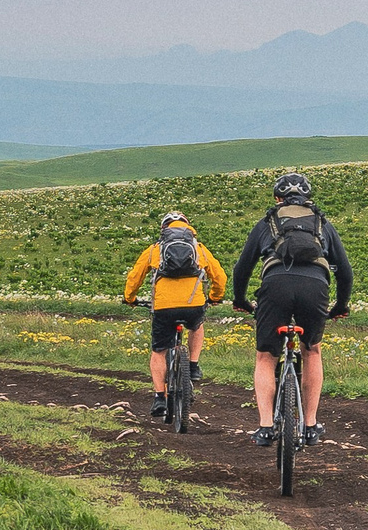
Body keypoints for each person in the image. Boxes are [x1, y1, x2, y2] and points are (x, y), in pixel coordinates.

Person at [229, 172, 352, 447]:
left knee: (265, 357)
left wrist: (240, 300)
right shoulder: (322, 224)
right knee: (312, 350)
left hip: (276, 284)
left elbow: (242, 268)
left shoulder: (267, 222)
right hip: (315, 286)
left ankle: (264, 427)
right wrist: (340, 306)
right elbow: (345, 271)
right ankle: (310, 424)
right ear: (308, 198)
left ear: (277, 198)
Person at [123, 210, 227, 419]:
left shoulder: (155, 249)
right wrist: (215, 297)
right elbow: (220, 277)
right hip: (193, 305)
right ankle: (194, 365)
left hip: (164, 308)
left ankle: (160, 397)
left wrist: (130, 298)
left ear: (164, 229)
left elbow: (136, 276)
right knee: (196, 325)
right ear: (187, 228)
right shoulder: (199, 248)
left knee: (159, 351)